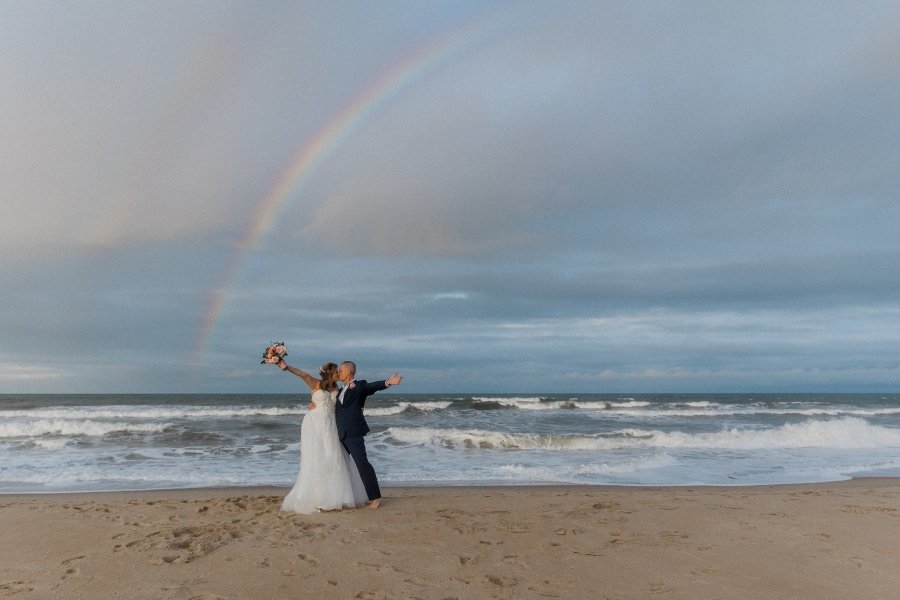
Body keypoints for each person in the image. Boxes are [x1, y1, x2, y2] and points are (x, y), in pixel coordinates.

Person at [276, 360, 368, 514]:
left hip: (331, 425)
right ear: (330, 373)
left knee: (333, 456)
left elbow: (343, 404)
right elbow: (302, 375)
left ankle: (336, 495)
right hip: (315, 423)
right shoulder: (315, 383)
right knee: (317, 457)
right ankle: (317, 497)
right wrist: (286, 367)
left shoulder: (337, 388)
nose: (339, 373)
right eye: (337, 371)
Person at [335, 361, 402, 509]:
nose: (338, 372)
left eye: (341, 370)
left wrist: (388, 382)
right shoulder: (339, 391)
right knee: (341, 466)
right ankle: (348, 497)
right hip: (340, 433)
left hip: (353, 432)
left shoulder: (359, 386)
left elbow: (372, 387)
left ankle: (375, 497)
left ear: (349, 372)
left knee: (362, 464)